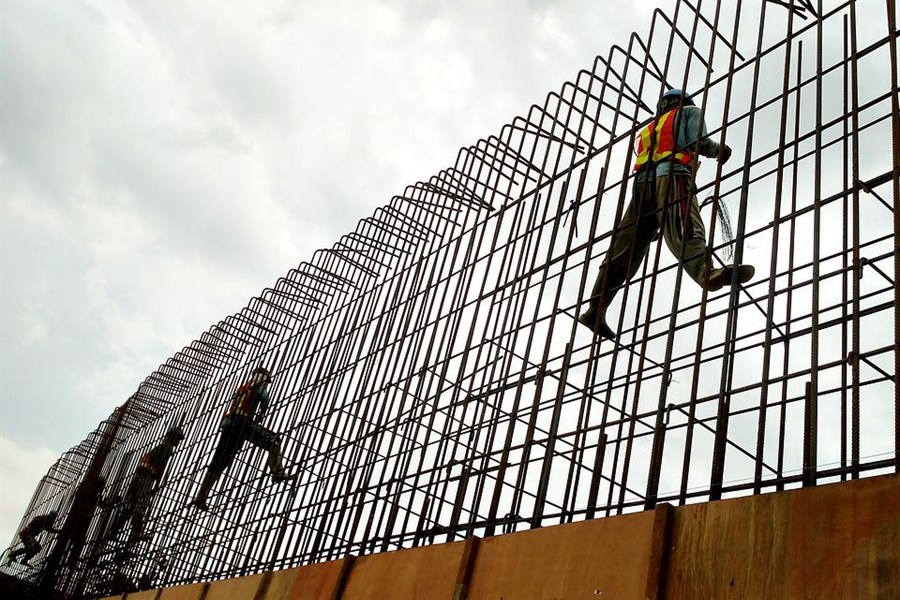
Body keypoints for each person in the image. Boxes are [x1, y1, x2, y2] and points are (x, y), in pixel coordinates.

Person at [578, 89, 755, 339]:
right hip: (671, 175)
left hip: (641, 185)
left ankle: (595, 309)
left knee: (624, 249)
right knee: (683, 223)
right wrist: (719, 151)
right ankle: (706, 272)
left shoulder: (649, 128)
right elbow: (698, 142)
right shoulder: (689, 112)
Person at [192, 366, 295, 510]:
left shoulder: (242, 387)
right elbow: (264, 398)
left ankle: (200, 496)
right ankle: (278, 472)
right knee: (274, 441)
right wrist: (262, 412)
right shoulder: (258, 385)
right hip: (244, 424)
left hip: (230, 424)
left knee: (221, 460)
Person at [109, 426, 185, 544]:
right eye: (177, 438)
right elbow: (160, 467)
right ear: (171, 437)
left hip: (138, 476)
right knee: (142, 504)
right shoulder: (168, 447)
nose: (178, 441)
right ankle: (136, 533)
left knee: (129, 506)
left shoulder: (159, 446)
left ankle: (113, 531)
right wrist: (156, 485)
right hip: (147, 477)